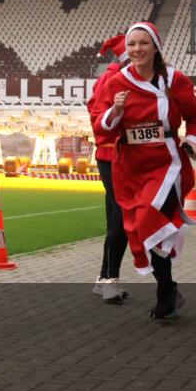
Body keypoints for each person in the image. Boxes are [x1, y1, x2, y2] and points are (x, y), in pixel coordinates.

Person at [93, 21, 196, 319]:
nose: (136, 49)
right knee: (142, 227)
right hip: (131, 166)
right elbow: (100, 128)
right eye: (132, 44)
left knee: (149, 219)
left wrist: (194, 143)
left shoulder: (175, 79)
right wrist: (115, 112)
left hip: (166, 164)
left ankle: (164, 290)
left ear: (156, 47)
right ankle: (168, 287)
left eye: (143, 43)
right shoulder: (116, 82)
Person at [87, 34, 131, 303]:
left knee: (117, 218)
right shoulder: (113, 79)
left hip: (123, 154)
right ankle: (107, 278)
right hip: (112, 154)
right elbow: (97, 116)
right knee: (121, 217)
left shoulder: (131, 76)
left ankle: (104, 278)